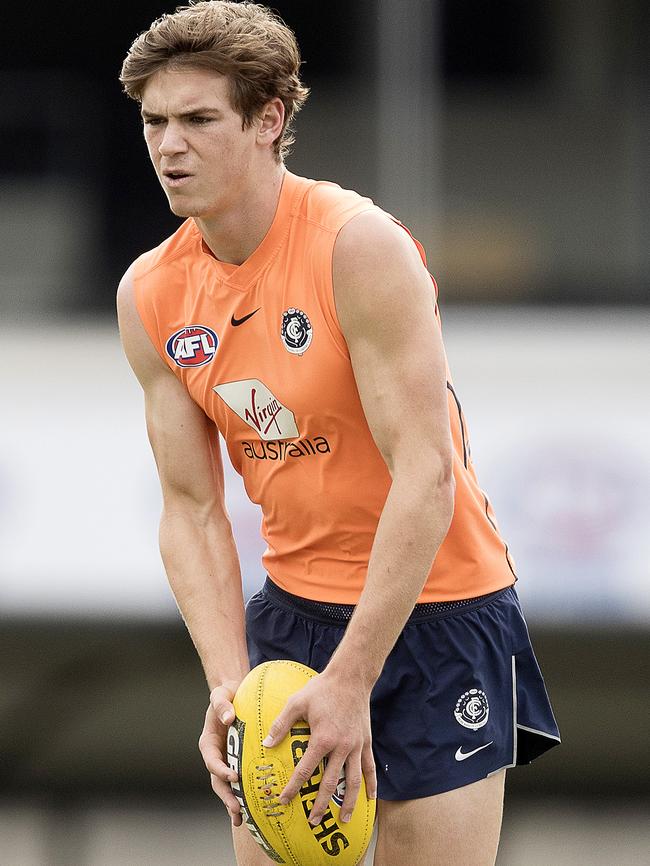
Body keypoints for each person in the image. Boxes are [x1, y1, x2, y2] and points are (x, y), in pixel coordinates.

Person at [117, 2, 560, 864]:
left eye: (200, 119)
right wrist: (228, 681)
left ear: (269, 121)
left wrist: (353, 678)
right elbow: (189, 507)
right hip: (290, 622)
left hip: (439, 614)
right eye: (154, 121)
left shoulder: (358, 248)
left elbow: (425, 475)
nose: (170, 146)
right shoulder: (150, 295)